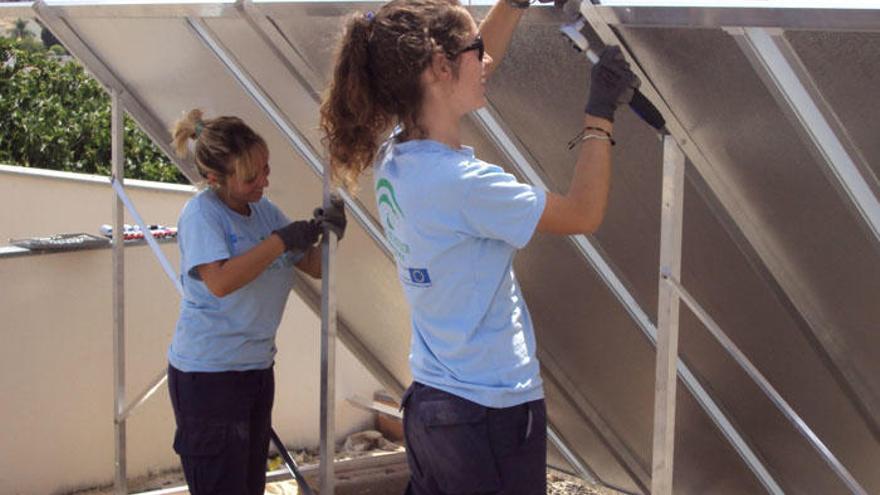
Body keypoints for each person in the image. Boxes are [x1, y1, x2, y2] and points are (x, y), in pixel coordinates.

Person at [319, 0, 638, 493]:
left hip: (435, 406)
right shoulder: (462, 184)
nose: (486, 61)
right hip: (487, 414)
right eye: (476, 51)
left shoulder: (397, 157)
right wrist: (599, 117)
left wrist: (512, 5)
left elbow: (472, 69)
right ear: (440, 68)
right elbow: (583, 213)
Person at [166, 109, 346, 495]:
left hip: (255, 370)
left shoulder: (264, 212)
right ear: (215, 180)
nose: (264, 181)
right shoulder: (202, 215)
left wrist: (329, 236)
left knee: (249, 486)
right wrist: (281, 241)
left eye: (265, 169)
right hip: (209, 379)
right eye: (251, 177)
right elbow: (220, 281)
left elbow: (313, 266)